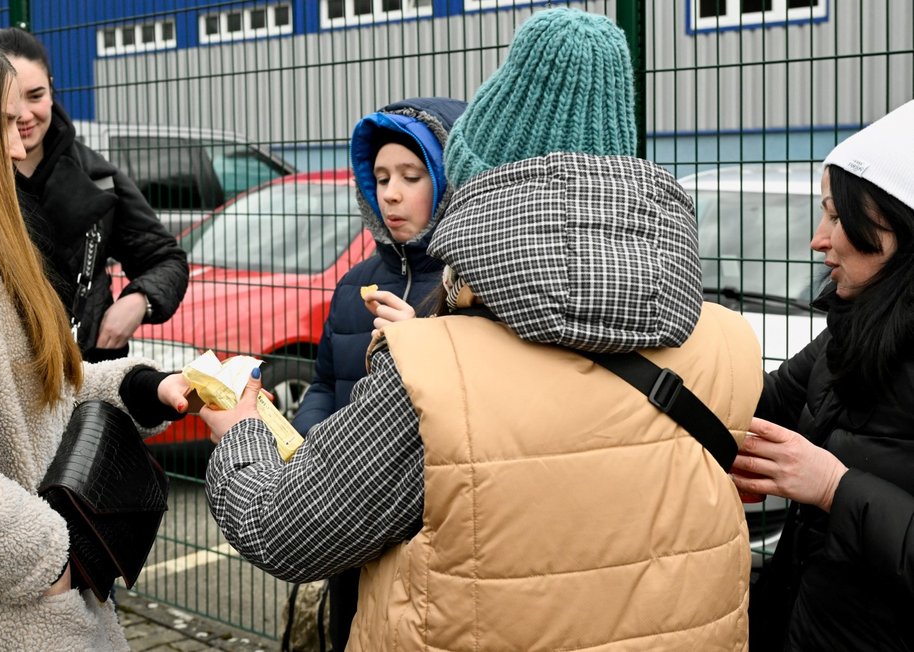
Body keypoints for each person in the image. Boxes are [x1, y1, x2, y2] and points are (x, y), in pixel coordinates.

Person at [202, 9, 763, 650]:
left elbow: (289, 531)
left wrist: (243, 436)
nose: (394, 193)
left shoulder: (436, 376)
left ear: (475, 193)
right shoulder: (731, 346)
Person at [0, 27, 192, 651]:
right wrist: (55, 559)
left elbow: (28, 385)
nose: (17, 139)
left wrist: (141, 386)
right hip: (4, 625)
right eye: (0, 121)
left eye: (31, 104)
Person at [731, 99, 914, 652]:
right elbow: (764, 402)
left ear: (899, 228)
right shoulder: (852, 329)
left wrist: (835, 488)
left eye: (837, 216)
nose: (818, 239)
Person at [290, 96, 465, 649]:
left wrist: (421, 341)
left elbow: (473, 404)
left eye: (411, 176)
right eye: (381, 176)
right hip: (350, 522)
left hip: (428, 532)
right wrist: (309, 442)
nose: (390, 192)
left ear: (448, 181)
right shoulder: (354, 283)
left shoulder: (470, 287)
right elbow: (324, 382)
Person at [0, 27, 189, 363]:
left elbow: (166, 259)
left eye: (35, 96)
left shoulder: (99, 178)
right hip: (1, 379)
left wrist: (138, 301)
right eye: (8, 102)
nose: (24, 115)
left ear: (51, 87)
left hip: (90, 373)